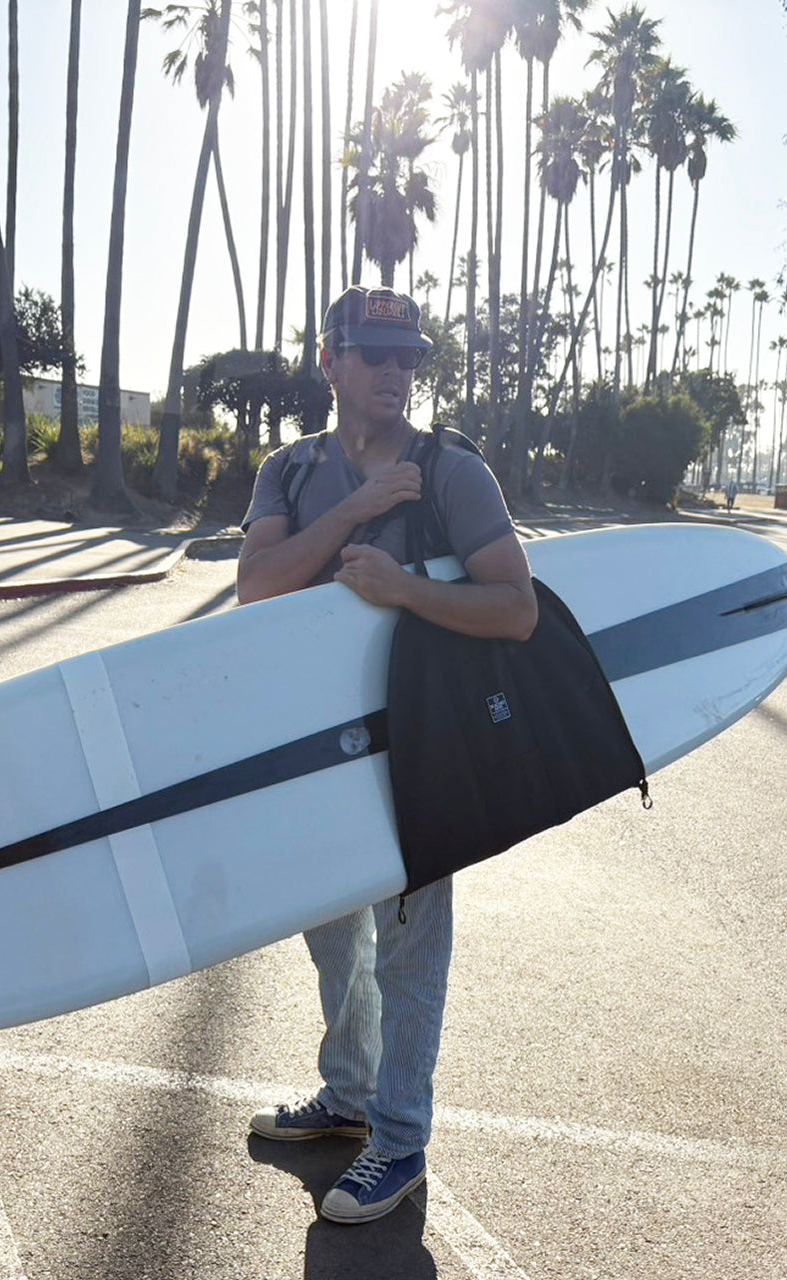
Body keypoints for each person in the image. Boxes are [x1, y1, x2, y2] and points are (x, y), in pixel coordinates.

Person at [236, 285, 538, 1225]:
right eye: (374, 353)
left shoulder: (452, 470)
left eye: (409, 356)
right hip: (314, 753)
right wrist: (357, 510)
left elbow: (515, 609)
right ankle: (348, 1098)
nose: (395, 371)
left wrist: (405, 589)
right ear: (330, 360)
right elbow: (257, 588)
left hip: (421, 747)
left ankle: (400, 1141)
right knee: (331, 934)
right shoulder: (288, 473)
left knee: (410, 950)